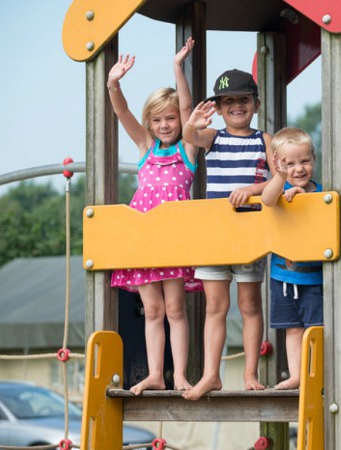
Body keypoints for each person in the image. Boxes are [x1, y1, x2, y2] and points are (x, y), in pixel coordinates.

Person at [107, 38, 203, 395]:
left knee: (176, 309)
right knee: (152, 310)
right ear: (150, 123)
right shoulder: (146, 149)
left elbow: (190, 106)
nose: (165, 125)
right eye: (158, 120)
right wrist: (114, 84)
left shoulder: (187, 148)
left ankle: (178, 374)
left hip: (173, 241)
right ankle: (154, 374)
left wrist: (178, 67)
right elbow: (122, 114)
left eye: (171, 118)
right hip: (143, 242)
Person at [181, 69, 273, 400]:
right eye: (228, 101)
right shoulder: (214, 137)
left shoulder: (265, 140)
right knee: (215, 307)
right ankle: (211, 375)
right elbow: (190, 136)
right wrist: (193, 121)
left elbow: (283, 180)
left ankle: (250, 373)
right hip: (216, 233)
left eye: (243, 100)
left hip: (249, 232)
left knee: (250, 305)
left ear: (256, 104)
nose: (236, 106)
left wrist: (252, 190)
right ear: (218, 108)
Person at [261, 127, 323, 390]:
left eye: (305, 161)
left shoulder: (320, 192)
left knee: (316, 330)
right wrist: (280, 177)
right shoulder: (279, 187)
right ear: (277, 164)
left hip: (314, 277)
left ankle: (317, 374)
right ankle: (297, 375)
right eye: (290, 163)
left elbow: (317, 209)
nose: (298, 169)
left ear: (314, 160)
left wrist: (302, 196)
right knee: (292, 330)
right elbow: (267, 199)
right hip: (282, 277)